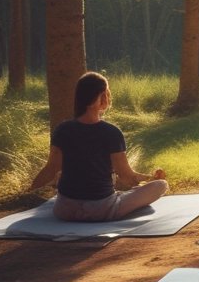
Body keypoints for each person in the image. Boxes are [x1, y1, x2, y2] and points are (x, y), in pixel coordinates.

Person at [30, 71, 168, 221]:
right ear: (103, 98)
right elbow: (127, 177)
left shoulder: (62, 130)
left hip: (65, 210)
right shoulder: (112, 133)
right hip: (101, 210)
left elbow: (51, 169)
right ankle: (118, 199)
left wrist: (29, 191)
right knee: (161, 185)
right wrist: (151, 179)